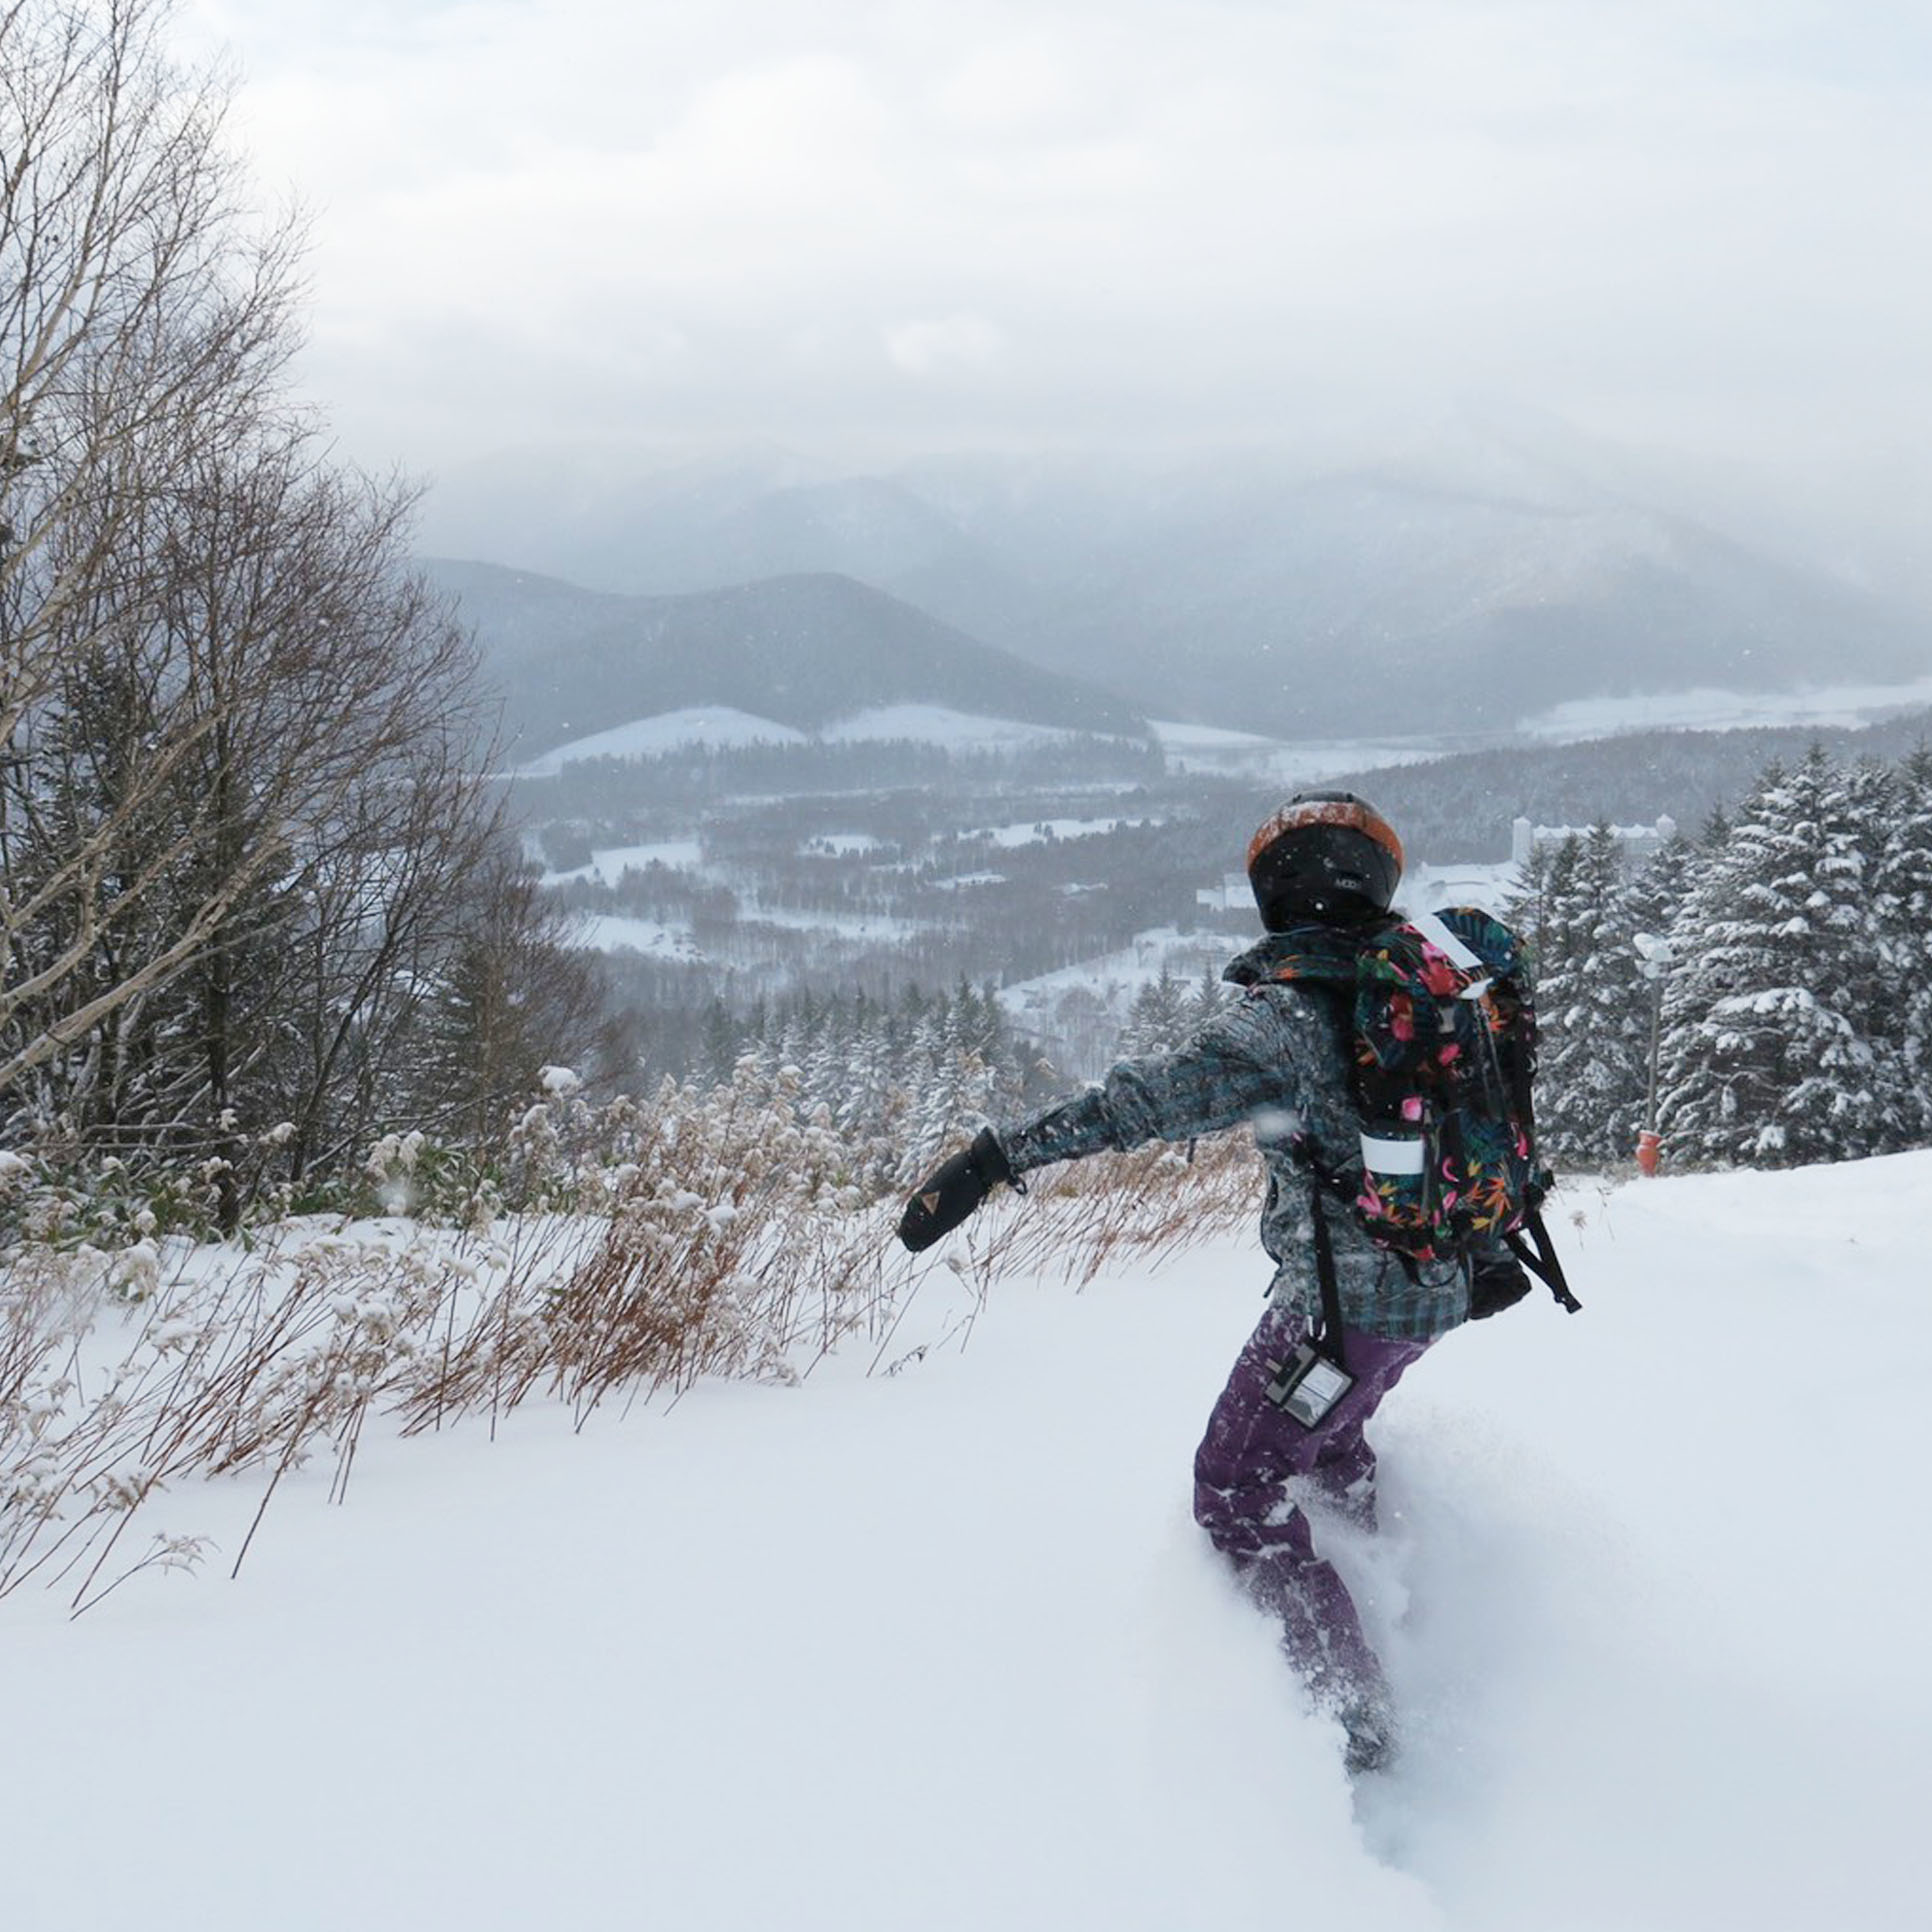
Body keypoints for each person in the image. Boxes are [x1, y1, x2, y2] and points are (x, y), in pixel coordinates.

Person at [897, 791, 1533, 1775]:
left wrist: (998, 1156)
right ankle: (1393, 1584)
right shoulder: (1427, 993)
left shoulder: (1284, 1018)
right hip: (1437, 1291)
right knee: (1330, 1438)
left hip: (1338, 1317)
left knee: (1236, 1488)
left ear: (1276, 893)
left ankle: (1354, 1721)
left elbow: (1143, 1103)